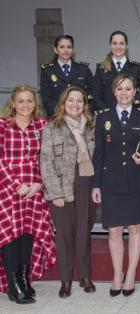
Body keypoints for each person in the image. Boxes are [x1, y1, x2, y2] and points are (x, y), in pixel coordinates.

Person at [91, 74, 140, 297]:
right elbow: (98, 153)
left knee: (136, 228)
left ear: (135, 92)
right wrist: (95, 184)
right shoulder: (103, 118)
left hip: (136, 180)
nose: (125, 93)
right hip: (112, 181)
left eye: (129, 89)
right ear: (113, 92)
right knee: (115, 230)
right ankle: (117, 274)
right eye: (120, 89)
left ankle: (131, 274)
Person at [0, 85, 56, 304]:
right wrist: (16, 185)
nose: (25, 105)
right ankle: (13, 284)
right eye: (20, 101)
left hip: (34, 188)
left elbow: (49, 158)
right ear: (13, 103)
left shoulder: (42, 126)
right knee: (10, 235)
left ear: (35, 103)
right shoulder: (2, 126)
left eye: (29, 101)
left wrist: (39, 184)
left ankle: (25, 279)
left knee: (27, 234)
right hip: (6, 188)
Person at [40, 86, 97, 298]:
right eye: (71, 101)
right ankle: (65, 280)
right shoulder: (52, 127)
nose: (75, 105)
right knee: (64, 235)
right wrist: (55, 193)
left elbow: (97, 158)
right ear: (63, 103)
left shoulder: (91, 127)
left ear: (85, 104)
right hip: (62, 187)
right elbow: (46, 163)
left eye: (80, 101)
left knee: (84, 233)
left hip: (86, 184)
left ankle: (85, 276)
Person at [93, 30, 140, 111]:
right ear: (110, 45)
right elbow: (96, 97)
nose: (118, 47)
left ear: (126, 46)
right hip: (109, 118)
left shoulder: (136, 68)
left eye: (121, 43)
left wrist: (139, 114)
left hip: (132, 118)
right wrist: (106, 114)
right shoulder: (101, 68)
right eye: (114, 43)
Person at [40, 35, 95, 117]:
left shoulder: (83, 69)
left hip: (81, 116)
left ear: (73, 50)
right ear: (55, 50)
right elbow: (46, 99)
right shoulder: (47, 71)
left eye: (69, 47)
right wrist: (61, 114)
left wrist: (84, 112)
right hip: (57, 118)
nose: (66, 50)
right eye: (62, 47)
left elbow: (93, 92)